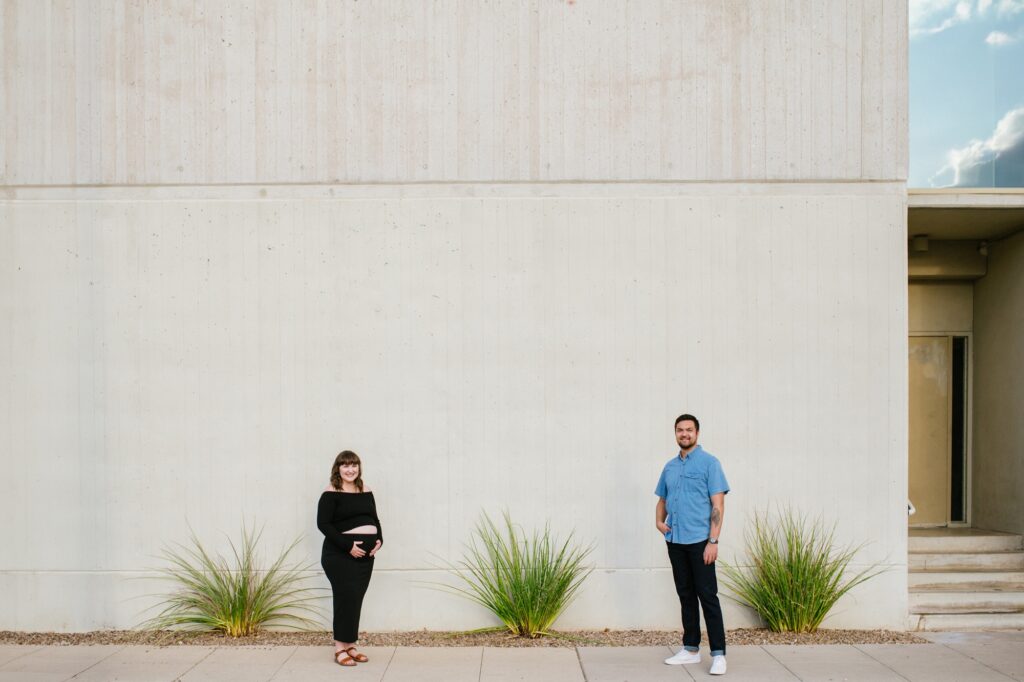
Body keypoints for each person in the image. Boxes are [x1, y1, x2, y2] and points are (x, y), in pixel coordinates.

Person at [655, 414, 730, 676]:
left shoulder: (710, 464)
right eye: (680, 430)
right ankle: (690, 649)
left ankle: (719, 654)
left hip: (700, 541)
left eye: (689, 430)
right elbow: (662, 498)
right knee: (685, 595)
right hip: (675, 541)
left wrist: (713, 541)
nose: (684, 434)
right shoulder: (670, 467)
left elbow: (718, 505)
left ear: (697, 433)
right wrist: (658, 522)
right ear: (675, 433)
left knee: (707, 596)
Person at [317, 450, 383, 667]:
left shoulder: (366, 490)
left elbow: (374, 519)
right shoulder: (331, 492)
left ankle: (350, 645)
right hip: (339, 555)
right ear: (338, 468)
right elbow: (323, 524)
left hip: (364, 557)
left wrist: (379, 540)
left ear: (359, 468)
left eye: (354, 465)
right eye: (345, 465)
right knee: (345, 597)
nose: (350, 469)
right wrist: (348, 547)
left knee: (355, 598)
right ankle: (339, 648)